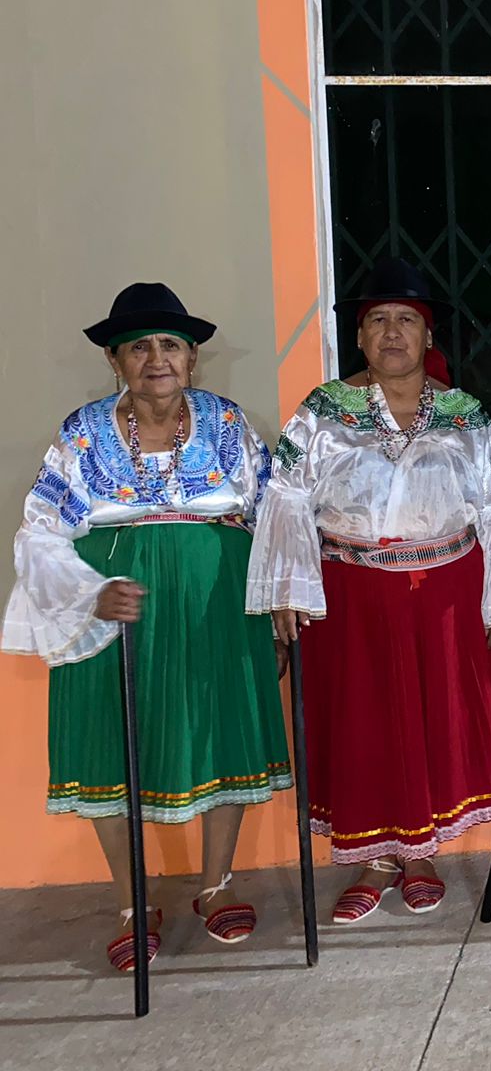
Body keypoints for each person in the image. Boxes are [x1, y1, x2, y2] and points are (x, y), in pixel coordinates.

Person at [3, 283, 290, 971]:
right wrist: (88, 593)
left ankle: (216, 883)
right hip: (115, 607)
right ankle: (133, 901)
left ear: (191, 358)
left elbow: (275, 513)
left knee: (218, 728)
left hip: (218, 606)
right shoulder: (82, 433)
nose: (156, 359)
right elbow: (40, 529)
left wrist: (282, 600)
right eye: (139, 347)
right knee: (109, 737)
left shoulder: (226, 423)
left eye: (170, 345)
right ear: (115, 360)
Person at [246, 257, 491, 923]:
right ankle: (375, 859)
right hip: (350, 597)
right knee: (366, 726)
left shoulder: (464, 415)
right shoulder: (322, 412)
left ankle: (420, 855)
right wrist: (288, 589)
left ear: (429, 336)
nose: (393, 332)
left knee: (430, 725)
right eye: (378, 320)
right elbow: (286, 498)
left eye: (407, 320)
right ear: (360, 336)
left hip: (444, 596)